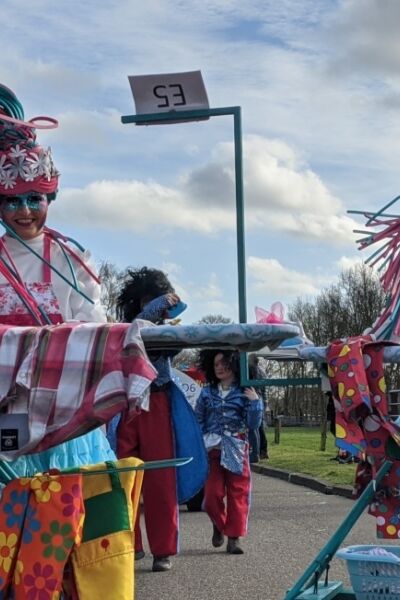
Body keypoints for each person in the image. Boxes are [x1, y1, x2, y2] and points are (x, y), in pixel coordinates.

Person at [0, 83, 115, 475]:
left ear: (51, 197)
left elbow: (95, 328)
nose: (25, 211)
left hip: (62, 419)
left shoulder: (70, 258)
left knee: (62, 522)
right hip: (4, 417)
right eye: (12, 201)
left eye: (35, 198)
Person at [109, 267, 207, 573]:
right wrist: (158, 304)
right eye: (147, 300)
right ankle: (130, 544)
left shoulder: (168, 332)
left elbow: (172, 343)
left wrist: (164, 310)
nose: (155, 306)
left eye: (158, 300)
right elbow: (135, 329)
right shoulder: (127, 327)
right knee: (122, 476)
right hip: (127, 405)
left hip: (158, 401)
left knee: (161, 479)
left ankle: (162, 548)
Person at [195, 349, 263, 554]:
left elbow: (253, 424)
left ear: (234, 365)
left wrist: (255, 403)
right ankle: (219, 524)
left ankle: (234, 538)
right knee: (212, 494)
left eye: (224, 363)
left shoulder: (245, 392)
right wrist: (198, 445)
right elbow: (198, 420)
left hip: (237, 448)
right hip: (212, 450)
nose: (220, 368)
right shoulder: (206, 393)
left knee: (238, 495)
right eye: (216, 365)